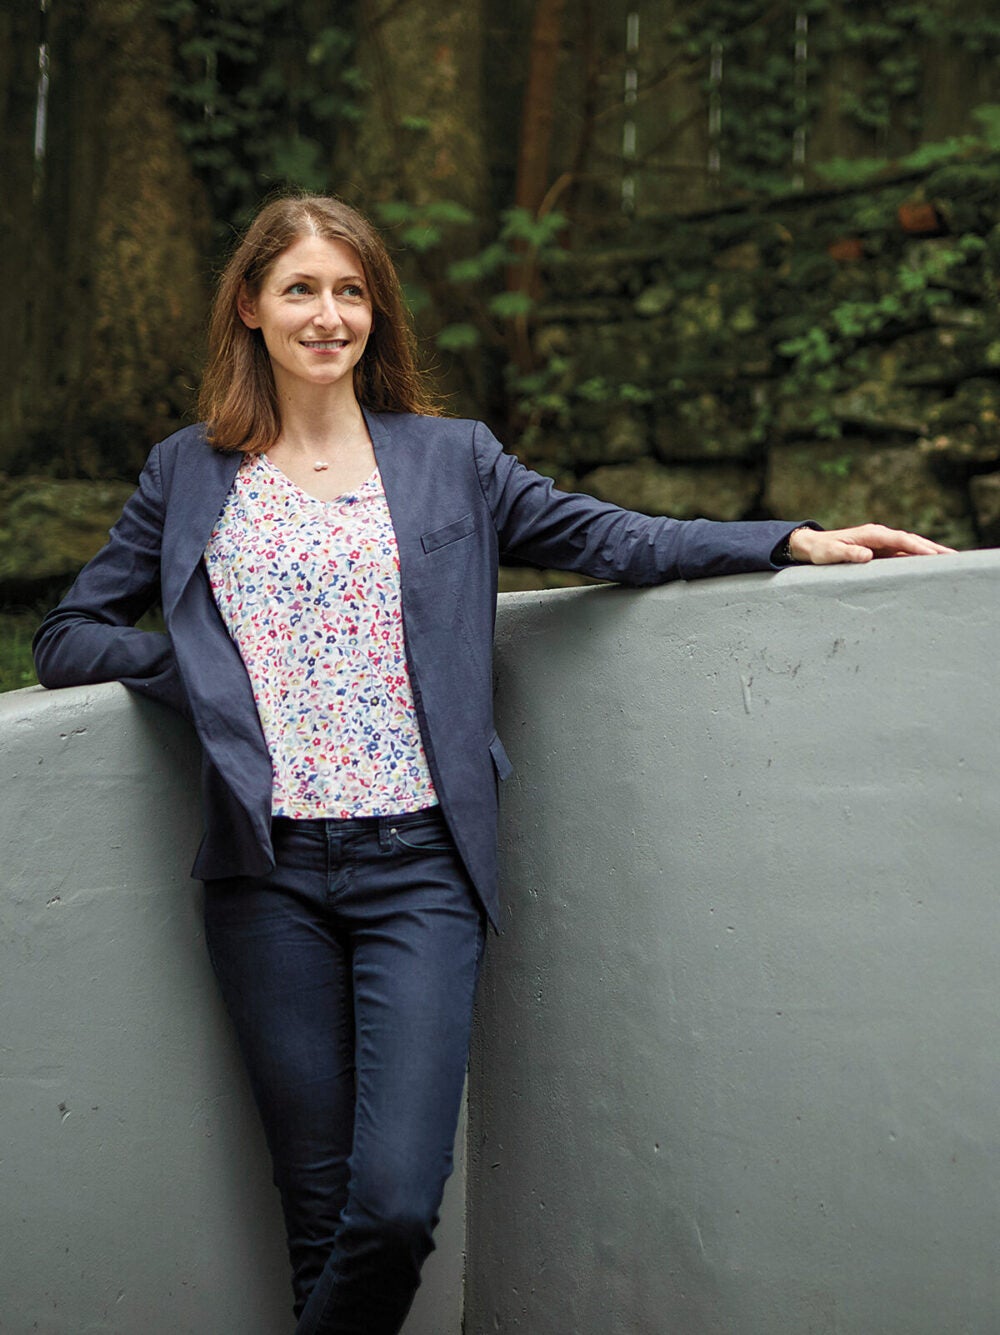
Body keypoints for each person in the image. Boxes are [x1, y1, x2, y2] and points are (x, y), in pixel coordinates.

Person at [32, 193, 954, 1334]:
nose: (330, 315)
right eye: (302, 290)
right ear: (251, 310)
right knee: (318, 1213)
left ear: (377, 311)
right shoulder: (190, 472)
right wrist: (202, 678)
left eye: (351, 290)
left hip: (420, 866)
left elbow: (612, 537)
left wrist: (792, 539)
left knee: (392, 1211)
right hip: (262, 875)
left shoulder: (448, 460)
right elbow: (68, 635)